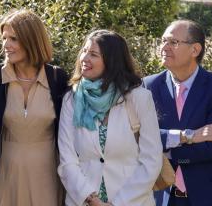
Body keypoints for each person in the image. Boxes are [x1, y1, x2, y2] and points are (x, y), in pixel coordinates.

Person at [0, 8, 69, 206]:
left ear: (32, 40)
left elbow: (69, 132)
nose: (6, 45)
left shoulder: (57, 79)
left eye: (13, 39)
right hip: (1, 174)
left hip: (47, 176)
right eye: (4, 38)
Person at [58, 30, 163, 206]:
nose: (84, 58)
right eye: (84, 51)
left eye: (93, 54)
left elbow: (151, 160)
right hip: (84, 201)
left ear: (111, 60)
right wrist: (91, 199)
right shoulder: (72, 98)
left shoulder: (139, 98)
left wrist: (118, 203)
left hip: (132, 201)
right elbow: (67, 158)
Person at [143, 19, 212, 206]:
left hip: (209, 195)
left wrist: (167, 153)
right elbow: (142, 136)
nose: (164, 47)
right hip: (159, 194)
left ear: (195, 50)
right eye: (163, 41)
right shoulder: (147, 86)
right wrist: (190, 136)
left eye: (173, 42)